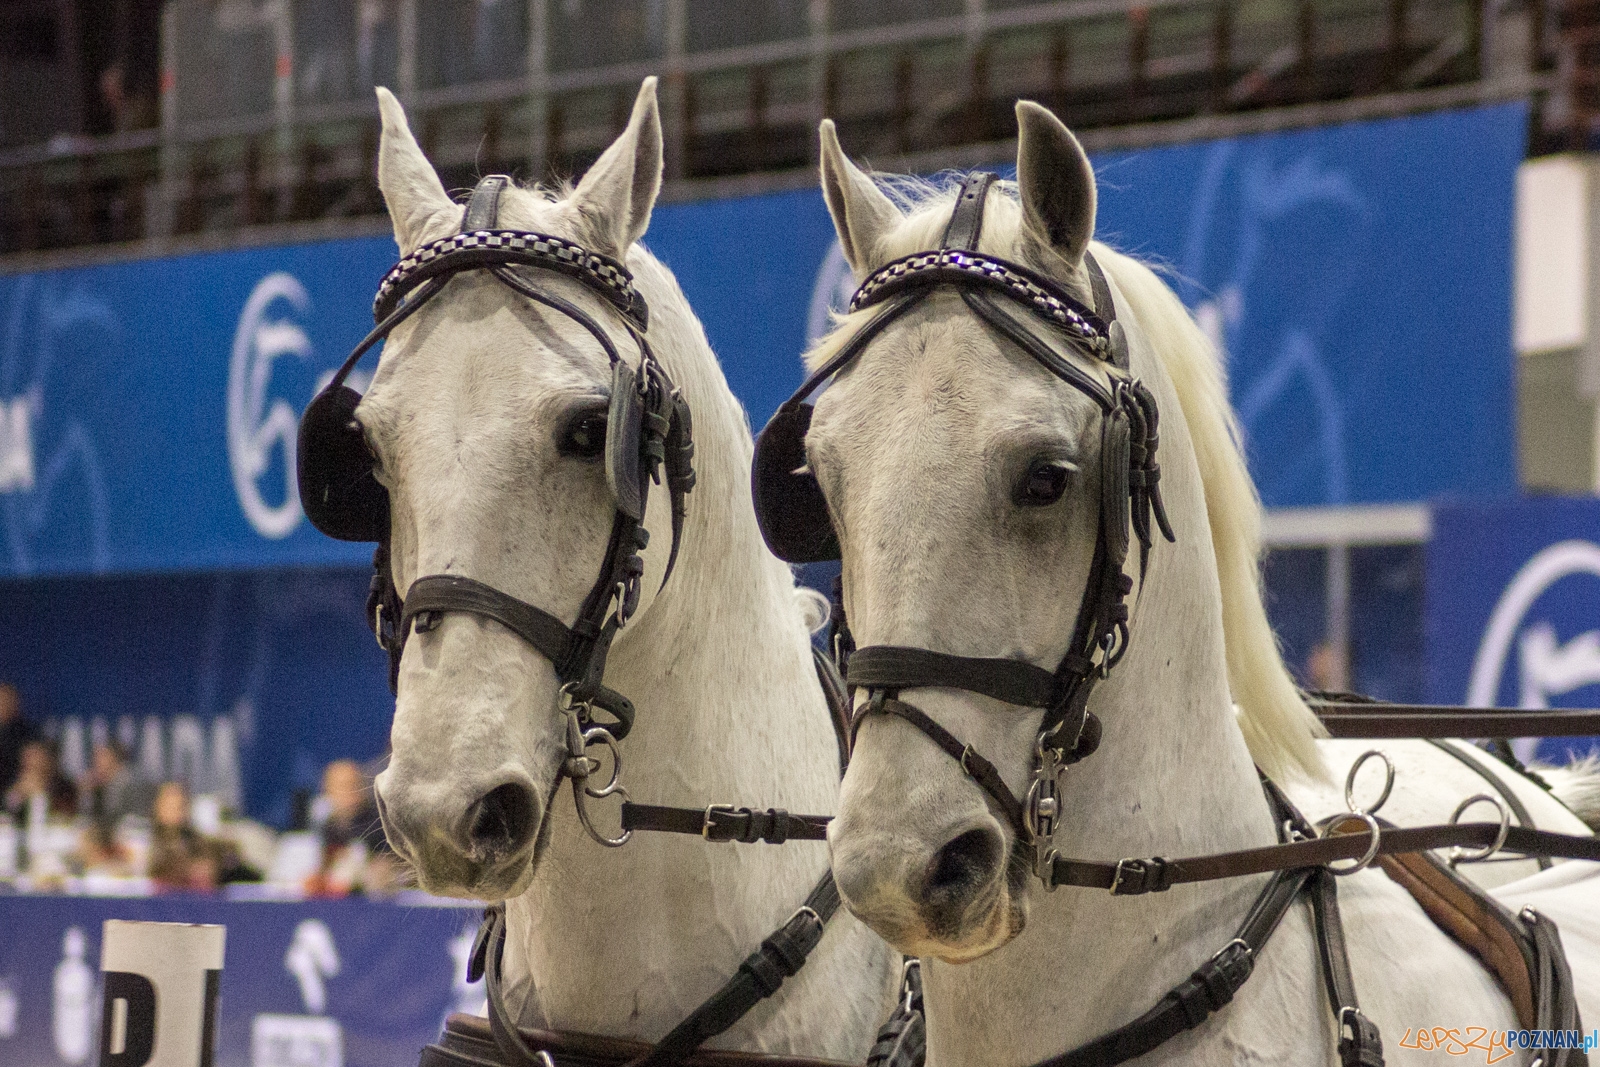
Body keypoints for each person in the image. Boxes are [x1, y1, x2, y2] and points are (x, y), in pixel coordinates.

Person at [305, 759, 399, 896]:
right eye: (342, 786)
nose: (350, 792)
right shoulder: (328, 825)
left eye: (355, 784)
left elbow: (392, 867)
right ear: (327, 790)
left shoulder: (381, 821)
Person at [80, 740, 156, 826]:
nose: (96, 762)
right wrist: (87, 792)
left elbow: (113, 816)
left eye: (102, 757)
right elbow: (87, 815)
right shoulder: (99, 783)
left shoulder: (131, 781)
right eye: (95, 757)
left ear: (115, 758)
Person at [3, 739, 78, 820]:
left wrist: (40, 793)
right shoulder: (16, 784)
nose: (29, 763)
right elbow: (8, 813)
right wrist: (18, 794)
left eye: (34, 757)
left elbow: (65, 816)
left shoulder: (64, 787)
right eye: (26, 757)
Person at [0, 684, 36, 797]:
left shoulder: (27, 733)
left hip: (17, 790)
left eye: (8, 701)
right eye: (2, 701)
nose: (4, 705)